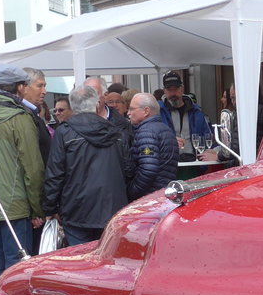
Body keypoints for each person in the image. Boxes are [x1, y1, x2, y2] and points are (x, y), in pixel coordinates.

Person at [0, 64, 45, 290]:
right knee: (16, 263)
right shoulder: (20, 118)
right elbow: (32, 168)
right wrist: (37, 208)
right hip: (13, 202)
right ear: (20, 88)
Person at [42, 85, 132, 247]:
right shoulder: (117, 132)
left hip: (76, 209)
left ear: (72, 106)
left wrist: (50, 208)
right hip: (112, 207)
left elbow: (55, 173)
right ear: (97, 104)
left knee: (80, 262)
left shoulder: (64, 133)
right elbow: (128, 169)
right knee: (108, 260)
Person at [127, 92, 179, 199]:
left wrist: (131, 191)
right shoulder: (165, 129)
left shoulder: (147, 132)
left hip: (150, 197)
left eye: (132, 109)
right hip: (163, 193)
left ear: (146, 111)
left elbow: (148, 170)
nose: (128, 113)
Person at [157, 70, 212, 160]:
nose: (173, 93)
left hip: (194, 163)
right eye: (169, 90)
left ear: (182, 88)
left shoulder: (196, 112)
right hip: (169, 163)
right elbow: (153, 138)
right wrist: (169, 141)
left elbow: (208, 137)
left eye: (175, 89)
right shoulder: (158, 111)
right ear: (164, 91)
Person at [21, 68, 53, 167]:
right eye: (40, 86)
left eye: (45, 86)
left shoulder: (32, 113)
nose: (44, 91)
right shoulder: (21, 114)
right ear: (25, 87)